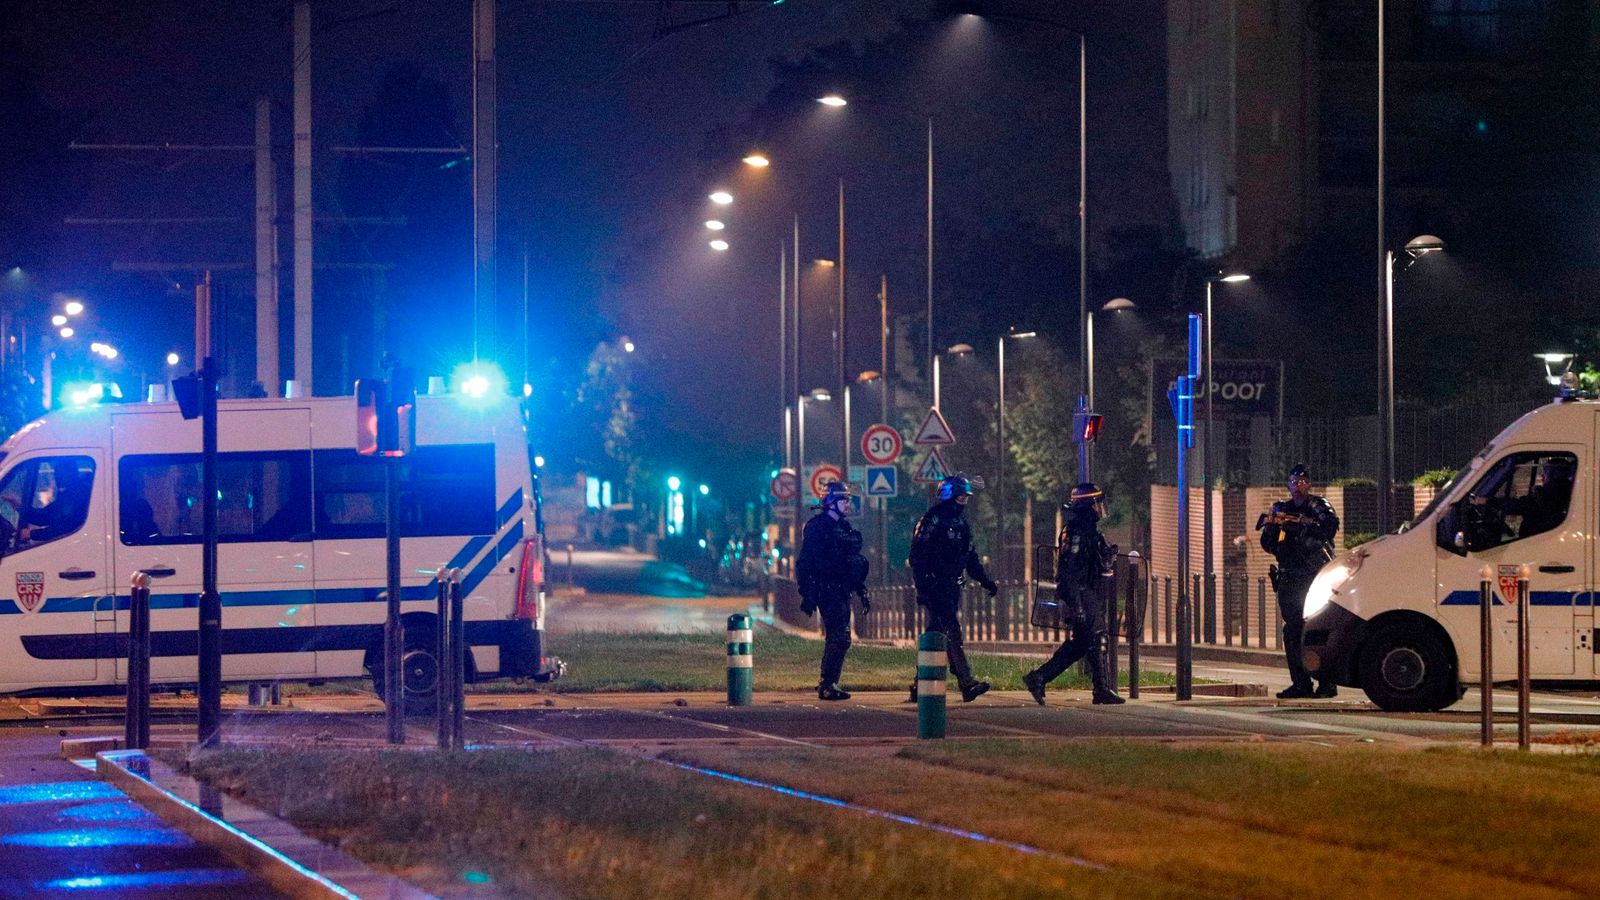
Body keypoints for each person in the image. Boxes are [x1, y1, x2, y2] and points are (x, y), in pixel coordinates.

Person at [1023, 483, 1125, 705]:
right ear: (1088, 505)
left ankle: (1038, 677)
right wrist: (1077, 605)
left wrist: (1106, 559)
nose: (1100, 508)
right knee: (1098, 636)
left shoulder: (1088, 532)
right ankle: (1101, 690)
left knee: (1080, 644)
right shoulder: (1076, 532)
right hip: (1079, 593)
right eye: (1097, 503)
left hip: (1085, 591)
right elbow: (1068, 571)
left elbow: (1095, 567)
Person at [908, 473, 997, 703]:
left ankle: (920, 684)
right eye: (960, 498)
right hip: (935, 587)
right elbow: (917, 557)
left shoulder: (961, 524)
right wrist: (923, 588)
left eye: (966, 498)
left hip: (951, 587)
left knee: (934, 634)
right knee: (951, 631)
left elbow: (970, 557)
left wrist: (985, 580)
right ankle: (966, 682)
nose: (964, 503)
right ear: (948, 497)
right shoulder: (931, 521)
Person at [1258, 463, 1340, 699]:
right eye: (1294, 482)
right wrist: (1277, 528)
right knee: (1292, 631)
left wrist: (1304, 526)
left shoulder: (1317, 505)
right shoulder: (1281, 508)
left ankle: (1327, 683)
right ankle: (1301, 683)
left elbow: (1329, 526)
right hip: (1290, 578)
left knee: (1318, 630)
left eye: (1302, 482)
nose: (1298, 486)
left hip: (1315, 578)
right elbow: (1268, 542)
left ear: (1309, 484)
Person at [795, 482, 870, 701]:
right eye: (844, 500)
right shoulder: (817, 527)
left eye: (848, 499)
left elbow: (851, 562)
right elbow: (806, 562)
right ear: (831, 503)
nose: (848, 504)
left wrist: (860, 589)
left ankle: (830, 683)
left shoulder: (845, 528)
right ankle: (827, 684)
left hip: (843, 589)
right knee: (839, 637)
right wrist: (807, 593)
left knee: (841, 637)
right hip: (827, 589)